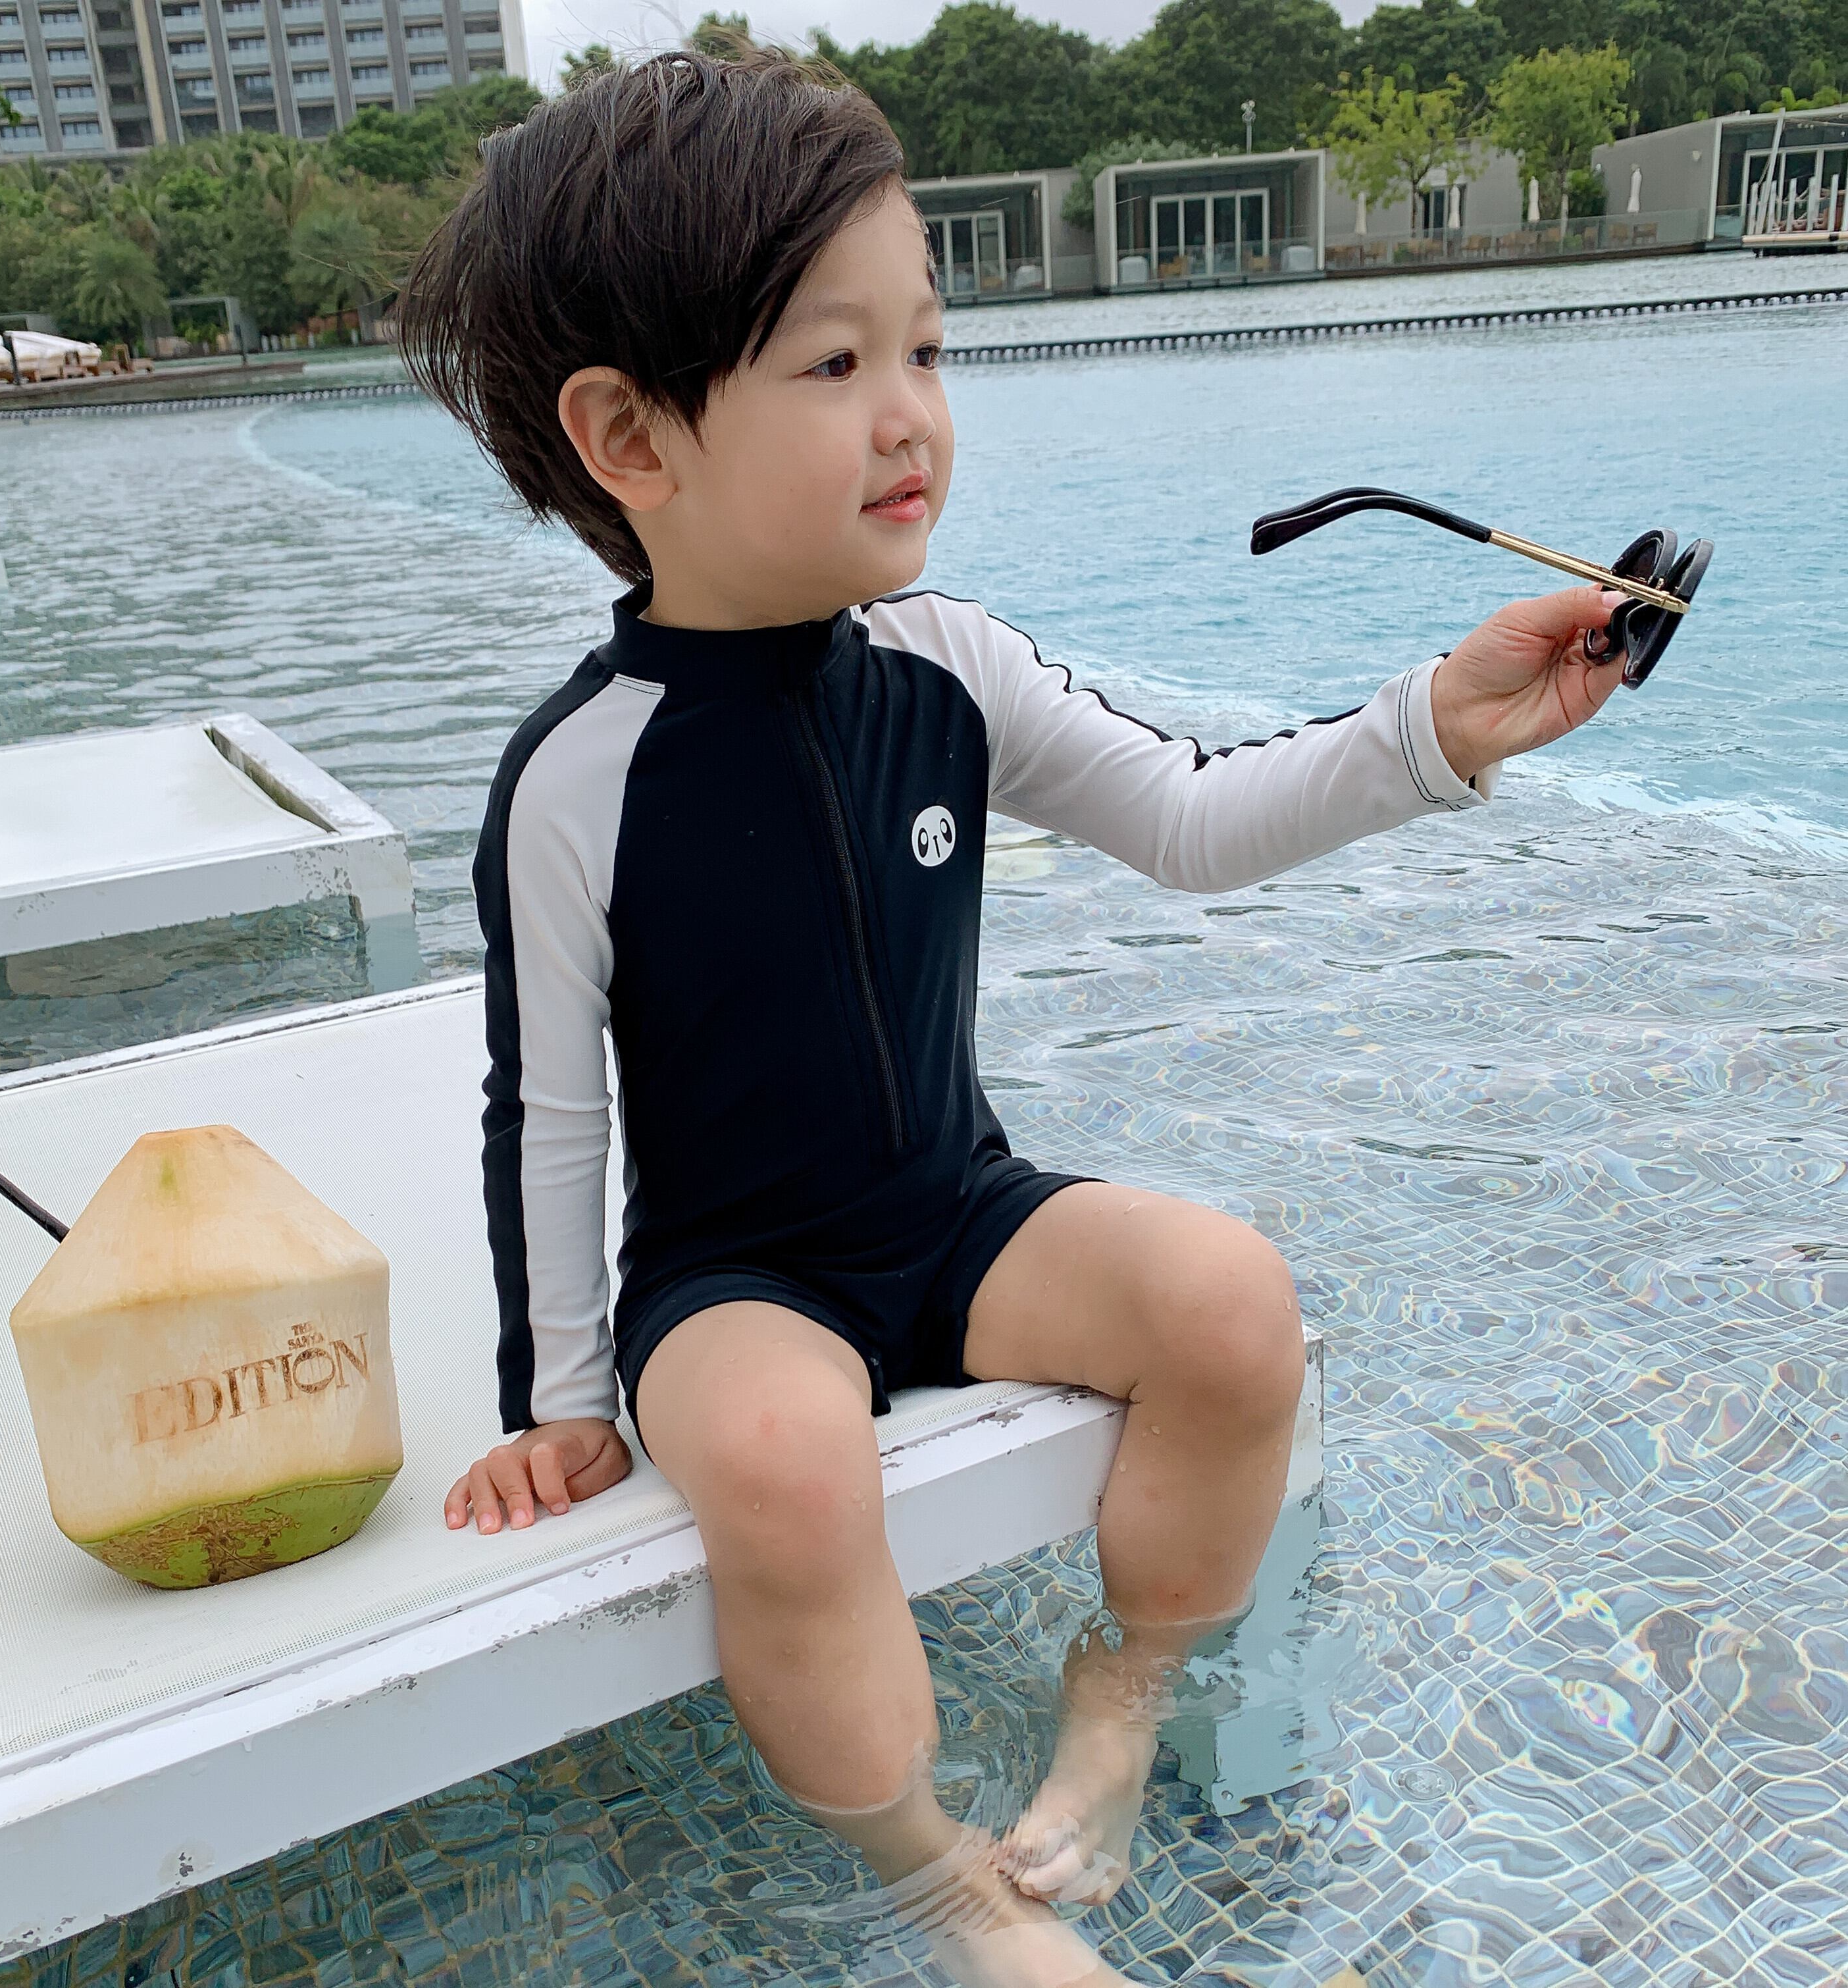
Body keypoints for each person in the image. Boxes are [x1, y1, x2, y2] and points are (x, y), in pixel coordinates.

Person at [406, 49, 1631, 1988]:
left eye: (927, 347)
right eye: (834, 363)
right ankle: (941, 1883)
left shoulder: (946, 666)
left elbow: (1195, 816)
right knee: (786, 1471)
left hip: (955, 1212)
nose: (911, 413)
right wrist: (558, 1402)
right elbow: (548, 1111)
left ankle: (1123, 1686)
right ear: (631, 437)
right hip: (736, 1278)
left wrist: (1441, 726)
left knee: (1231, 1305)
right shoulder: (582, 775)